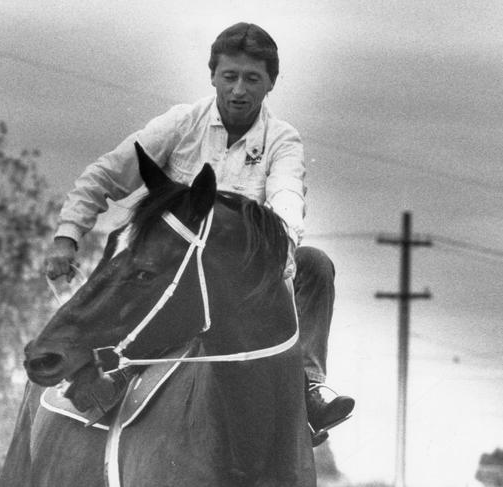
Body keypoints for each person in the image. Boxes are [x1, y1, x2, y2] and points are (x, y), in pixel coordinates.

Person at [45, 22, 354, 446]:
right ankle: (120, 366)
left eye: (252, 79)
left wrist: (278, 256)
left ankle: (308, 384)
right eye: (229, 77)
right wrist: (67, 235)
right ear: (213, 76)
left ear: (270, 85)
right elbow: (105, 175)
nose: (239, 91)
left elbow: (287, 202)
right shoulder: (180, 124)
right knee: (144, 266)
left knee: (316, 264)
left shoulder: (283, 141)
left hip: (237, 283)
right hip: (170, 274)